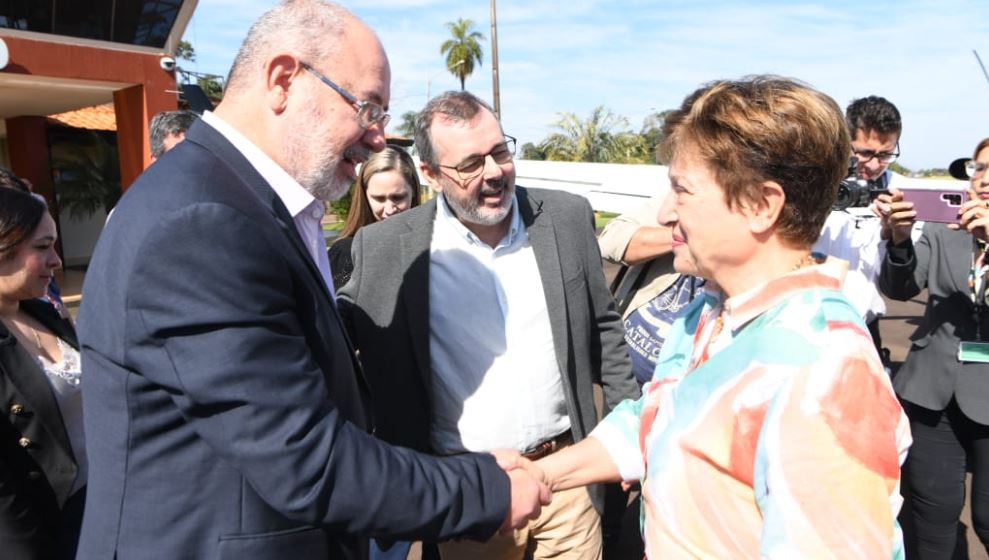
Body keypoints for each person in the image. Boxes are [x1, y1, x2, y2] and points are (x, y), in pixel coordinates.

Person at [76, 3, 548, 559]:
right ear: (283, 80)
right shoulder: (203, 222)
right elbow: (307, 457)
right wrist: (484, 489)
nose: (380, 138)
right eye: (367, 108)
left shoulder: (243, 201)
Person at [532, 75, 911, 558]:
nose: (667, 214)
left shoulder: (824, 374)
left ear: (759, 205)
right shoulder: (708, 312)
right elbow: (655, 420)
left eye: (683, 191)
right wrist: (541, 474)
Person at [338, 90, 638, 560]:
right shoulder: (385, 248)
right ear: (432, 175)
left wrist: (625, 429)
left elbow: (604, 327)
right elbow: (338, 348)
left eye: (500, 151)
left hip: (567, 482)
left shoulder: (565, 218)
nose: (495, 171)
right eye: (471, 163)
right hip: (468, 493)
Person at [878, 137, 989, 557]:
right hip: (932, 395)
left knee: (986, 518)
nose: (985, 177)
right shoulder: (945, 230)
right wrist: (901, 241)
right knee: (932, 513)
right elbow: (901, 289)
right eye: (979, 168)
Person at [0, 186, 86, 559]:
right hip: (43, 532)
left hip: (100, 514)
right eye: (42, 247)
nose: (56, 261)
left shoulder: (45, 313)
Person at [813, 95, 904, 362]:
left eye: (886, 154)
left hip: (865, 333)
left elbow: (904, 284)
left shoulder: (902, 193)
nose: (874, 165)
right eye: (864, 153)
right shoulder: (814, 185)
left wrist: (900, 237)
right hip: (808, 324)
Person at [599, 195, 702, 386]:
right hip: (625, 377)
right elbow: (609, 241)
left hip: (682, 395)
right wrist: (684, 235)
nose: (664, 217)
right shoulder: (679, 203)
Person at [328, 145, 421, 289]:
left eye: (398, 197)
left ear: (414, 191)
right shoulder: (346, 254)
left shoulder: (434, 249)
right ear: (365, 196)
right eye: (379, 198)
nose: (389, 210)